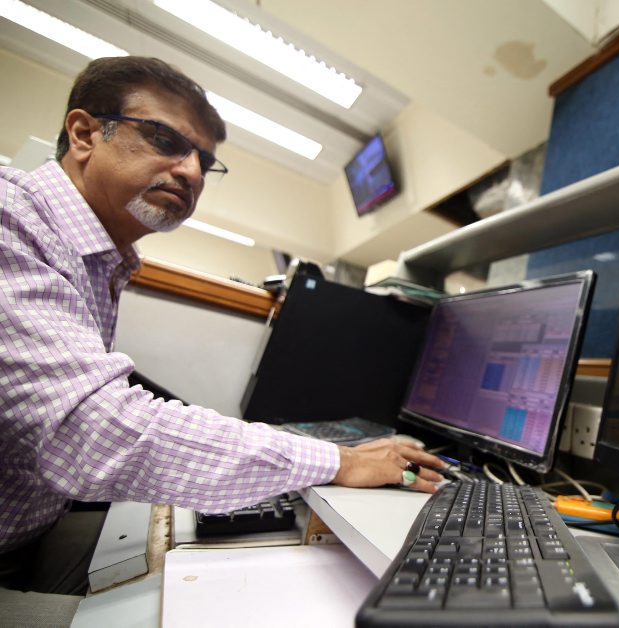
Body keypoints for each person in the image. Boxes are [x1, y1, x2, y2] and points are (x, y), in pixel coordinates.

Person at [0, 55, 443, 614]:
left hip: (34, 534)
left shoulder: (101, 262)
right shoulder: (11, 218)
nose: (191, 171)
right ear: (85, 133)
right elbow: (94, 431)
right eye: (165, 139)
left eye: (204, 161)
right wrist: (341, 461)